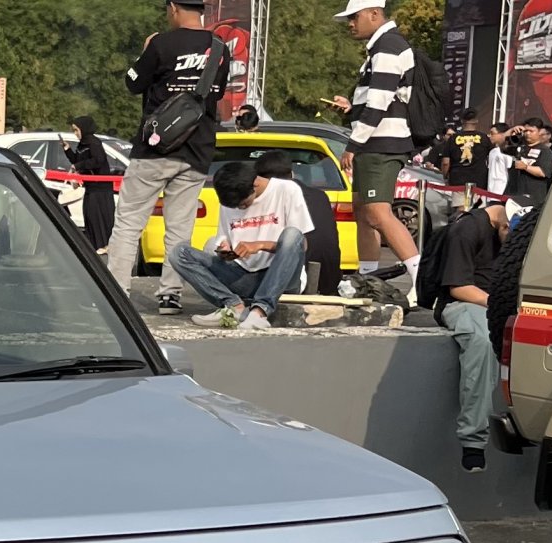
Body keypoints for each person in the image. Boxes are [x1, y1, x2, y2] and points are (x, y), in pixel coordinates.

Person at [104, 0, 231, 316]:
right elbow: (215, 94)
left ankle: (118, 292)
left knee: (129, 222)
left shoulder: (161, 43)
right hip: (196, 149)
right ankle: (170, 296)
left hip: (154, 149)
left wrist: (145, 51)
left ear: (174, 8)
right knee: (179, 227)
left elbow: (133, 83)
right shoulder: (219, 48)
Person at [330, 1, 421, 294]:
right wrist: (351, 110)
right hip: (377, 141)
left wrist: (353, 144)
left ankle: (422, 281)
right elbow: (380, 98)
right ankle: (368, 279)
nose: (350, 24)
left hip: (382, 144)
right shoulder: (380, 47)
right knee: (363, 212)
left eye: (354, 17)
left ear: (374, 13)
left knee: (379, 213)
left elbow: (380, 102)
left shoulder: (388, 46)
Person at [169, 159, 312, 329]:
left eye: (243, 204)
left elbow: (301, 244)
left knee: (292, 234)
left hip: (281, 277)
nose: (240, 208)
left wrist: (259, 245)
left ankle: (260, 312)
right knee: (179, 252)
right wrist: (224, 248)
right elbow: (224, 238)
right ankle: (234, 307)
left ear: (255, 184)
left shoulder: (287, 190)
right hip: (244, 276)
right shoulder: (230, 201)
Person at [433, 200, 510, 472]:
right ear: (505, 224)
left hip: (501, 302)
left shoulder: (511, 230)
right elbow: (459, 287)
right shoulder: (467, 230)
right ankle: (473, 441)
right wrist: (498, 304)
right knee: (482, 342)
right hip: (464, 302)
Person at [255, 151, 340, 295]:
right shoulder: (320, 195)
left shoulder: (269, 198)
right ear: (292, 173)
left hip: (297, 282)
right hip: (330, 280)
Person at [60, 115, 117, 253]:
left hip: (101, 187)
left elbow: (98, 160)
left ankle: (105, 245)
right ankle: (95, 245)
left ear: (84, 129)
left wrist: (79, 165)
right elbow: (77, 161)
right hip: (91, 186)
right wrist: (67, 150)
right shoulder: (82, 145)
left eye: (76, 130)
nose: (75, 134)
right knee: (90, 216)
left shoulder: (94, 143)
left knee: (100, 216)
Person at [506, 119, 552, 211]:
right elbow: (501, 144)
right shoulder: (519, 147)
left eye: (531, 131)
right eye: (525, 131)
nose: (527, 133)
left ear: (539, 132)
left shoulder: (545, 151)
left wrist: (526, 167)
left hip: (534, 198)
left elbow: (544, 172)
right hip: (515, 195)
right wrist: (511, 131)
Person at [441, 109, 492, 192]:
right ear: (476, 121)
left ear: (462, 121)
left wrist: (445, 176)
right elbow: (491, 158)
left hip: (457, 182)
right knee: (478, 204)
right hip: (479, 182)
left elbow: (445, 162)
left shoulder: (453, 138)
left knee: (459, 204)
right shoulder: (484, 138)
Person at [486, 122, 513, 195]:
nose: (490, 136)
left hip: (502, 191)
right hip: (490, 190)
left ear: (502, 134)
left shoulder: (508, 152)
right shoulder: (492, 152)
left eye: (493, 133)